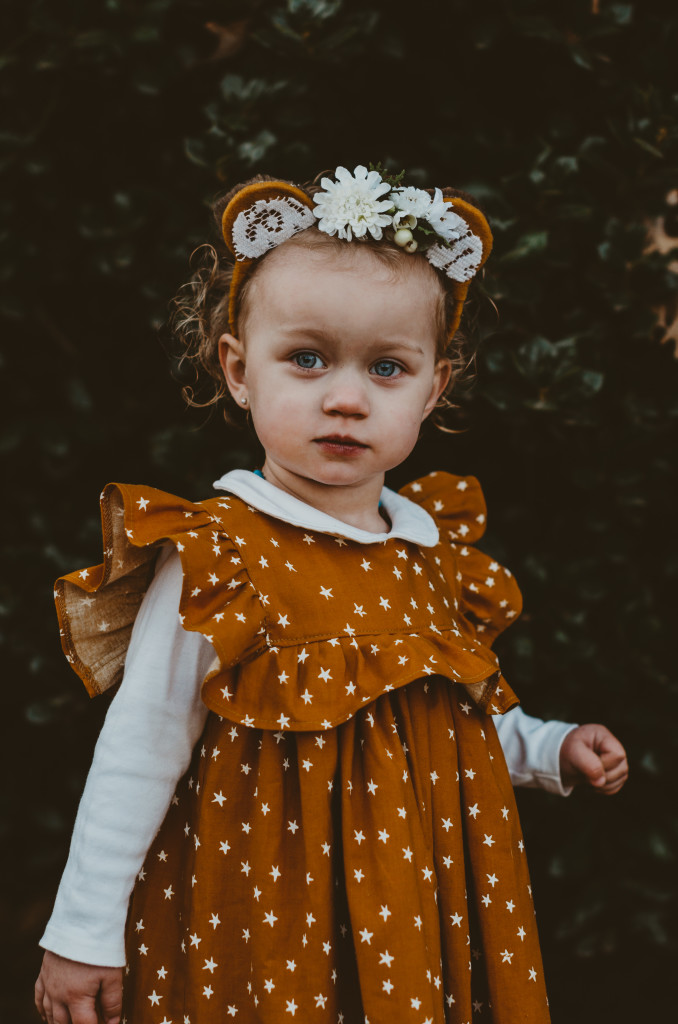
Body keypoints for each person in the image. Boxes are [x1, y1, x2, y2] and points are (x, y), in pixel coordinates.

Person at [35, 166, 628, 1024]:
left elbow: (447, 722)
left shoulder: (430, 552)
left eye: (387, 368)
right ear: (239, 371)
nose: (345, 398)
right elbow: (141, 747)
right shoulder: (220, 555)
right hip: (264, 914)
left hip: (408, 914)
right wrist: (83, 930)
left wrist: (548, 748)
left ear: (435, 388)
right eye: (306, 359)